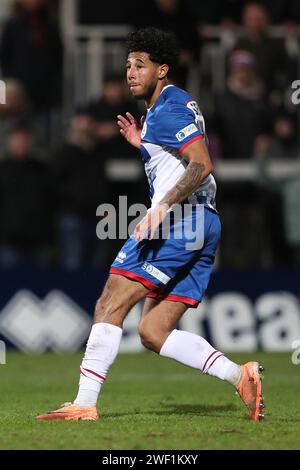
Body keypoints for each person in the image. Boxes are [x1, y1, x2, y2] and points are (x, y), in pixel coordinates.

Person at [36, 27, 264, 422]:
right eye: (127, 65)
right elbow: (179, 159)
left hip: (182, 220)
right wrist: (145, 145)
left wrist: (161, 210)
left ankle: (85, 402)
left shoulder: (170, 106)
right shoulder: (165, 110)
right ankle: (239, 375)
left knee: (111, 298)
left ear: (162, 70)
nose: (130, 73)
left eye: (140, 65)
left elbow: (202, 164)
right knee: (153, 331)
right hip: (205, 223)